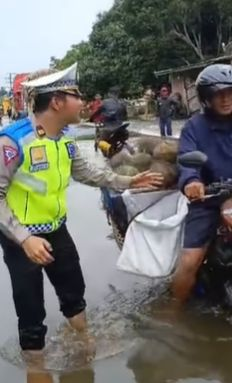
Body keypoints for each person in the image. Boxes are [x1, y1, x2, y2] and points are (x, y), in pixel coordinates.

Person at [0, 62, 164, 356]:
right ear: (58, 101)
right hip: (20, 239)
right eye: (77, 95)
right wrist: (24, 238)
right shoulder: (13, 141)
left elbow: (89, 173)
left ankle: (85, 342)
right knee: (30, 310)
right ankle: (36, 373)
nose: (84, 102)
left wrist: (130, 180)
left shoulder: (65, 139)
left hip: (57, 229)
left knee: (74, 292)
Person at [173, 64, 232, 305]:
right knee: (189, 261)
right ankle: (173, 311)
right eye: (219, 94)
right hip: (209, 198)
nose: (226, 99)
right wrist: (192, 182)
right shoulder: (195, 127)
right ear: (206, 97)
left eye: (230, 92)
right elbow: (187, 160)